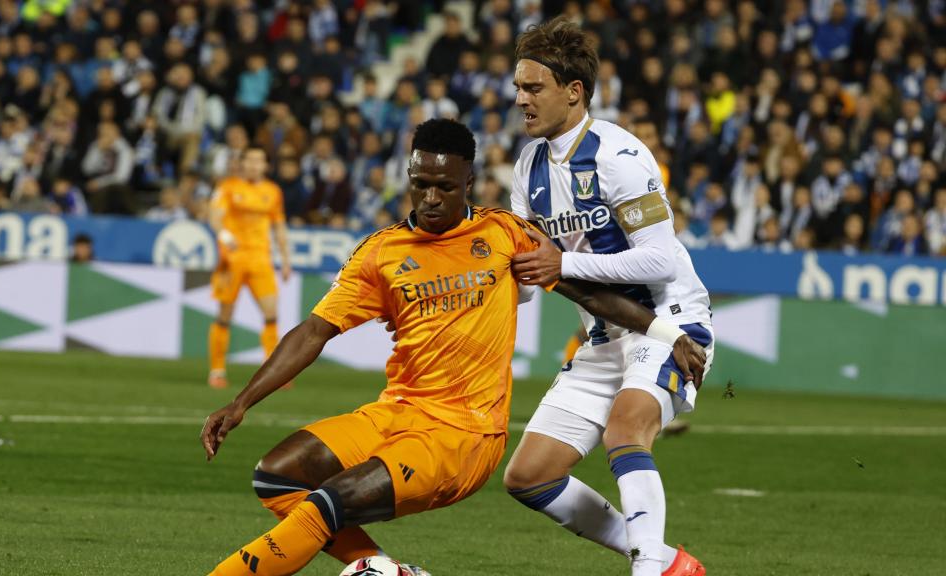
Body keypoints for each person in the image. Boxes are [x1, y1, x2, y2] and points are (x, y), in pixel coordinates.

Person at [200, 119, 706, 576]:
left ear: (470, 184)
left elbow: (586, 292)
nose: (432, 198)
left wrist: (667, 334)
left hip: (462, 435)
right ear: (409, 177)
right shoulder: (380, 252)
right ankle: (384, 572)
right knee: (277, 478)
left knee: (330, 503)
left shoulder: (505, 233)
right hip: (396, 413)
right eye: (421, 185)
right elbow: (313, 331)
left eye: (446, 187)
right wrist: (240, 402)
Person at [504, 17, 714, 576]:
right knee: (528, 475)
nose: (520, 99)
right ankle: (666, 561)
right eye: (518, 88)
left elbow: (660, 258)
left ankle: (646, 570)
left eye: (533, 88)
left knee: (626, 431)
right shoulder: (528, 167)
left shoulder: (621, 157)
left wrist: (562, 261)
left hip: (668, 320)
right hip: (604, 333)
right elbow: (529, 279)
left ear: (574, 92)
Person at [207, 146, 292, 389]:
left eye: (260, 161)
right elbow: (215, 215)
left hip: (260, 260)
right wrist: (223, 233)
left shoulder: (273, 191)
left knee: (271, 313)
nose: (255, 165)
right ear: (242, 163)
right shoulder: (228, 187)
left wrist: (286, 260)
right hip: (232, 260)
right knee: (224, 316)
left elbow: (279, 227)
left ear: (266, 165)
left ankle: (273, 371)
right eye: (251, 161)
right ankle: (217, 370)